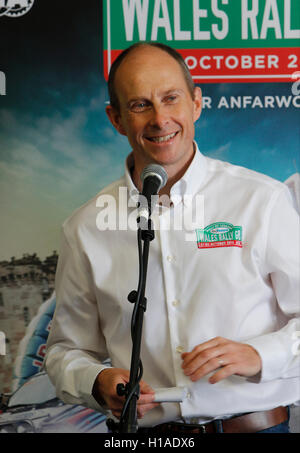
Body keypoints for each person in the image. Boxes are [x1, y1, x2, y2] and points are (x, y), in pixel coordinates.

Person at [45, 42, 300, 434]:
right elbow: (65, 351)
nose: (160, 119)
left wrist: (260, 354)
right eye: (139, 105)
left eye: (171, 98)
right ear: (115, 119)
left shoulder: (261, 200)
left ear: (196, 103)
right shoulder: (85, 228)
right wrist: (95, 381)